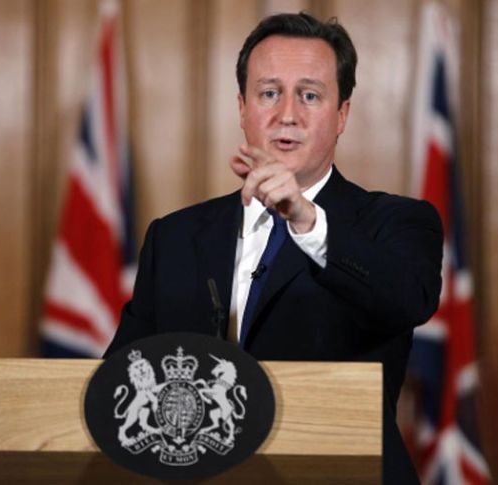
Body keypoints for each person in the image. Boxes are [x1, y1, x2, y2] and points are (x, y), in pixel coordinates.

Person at [104, 12, 443, 483]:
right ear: (242, 108)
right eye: (269, 93)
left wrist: (305, 219)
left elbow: (408, 298)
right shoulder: (175, 237)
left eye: (309, 95)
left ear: (342, 113)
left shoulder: (396, 223)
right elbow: (117, 379)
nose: (287, 114)